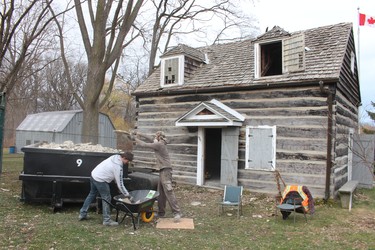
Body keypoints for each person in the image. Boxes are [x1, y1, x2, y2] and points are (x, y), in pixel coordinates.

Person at [133, 131, 181, 222]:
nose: (154, 137)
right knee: (161, 193)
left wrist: (134, 139)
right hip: (163, 170)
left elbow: (144, 144)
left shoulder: (159, 145)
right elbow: (149, 137)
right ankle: (161, 213)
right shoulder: (159, 143)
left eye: (156, 136)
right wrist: (138, 133)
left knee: (169, 191)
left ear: (159, 137)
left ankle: (177, 213)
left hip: (166, 170)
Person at [78, 152, 133, 226]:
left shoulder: (115, 156)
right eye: (128, 161)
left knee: (91, 194)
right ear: (124, 158)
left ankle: (82, 214)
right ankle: (107, 220)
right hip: (101, 180)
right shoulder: (118, 167)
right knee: (106, 198)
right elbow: (120, 184)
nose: (127, 163)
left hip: (94, 175)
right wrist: (127, 195)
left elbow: (114, 176)